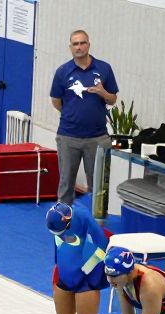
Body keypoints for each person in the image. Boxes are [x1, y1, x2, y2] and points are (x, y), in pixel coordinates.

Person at [49, 30, 118, 204]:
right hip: (68, 137)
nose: (79, 47)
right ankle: (64, 226)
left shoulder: (104, 68)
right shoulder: (62, 71)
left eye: (82, 43)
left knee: (98, 188)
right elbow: (56, 101)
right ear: (70, 47)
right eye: (75, 44)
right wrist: (72, 114)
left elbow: (113, 99)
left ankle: (96, 227)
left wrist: (103, 93)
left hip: (98, 138)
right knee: (66, 185)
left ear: (89, 44)